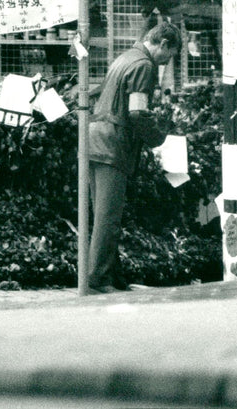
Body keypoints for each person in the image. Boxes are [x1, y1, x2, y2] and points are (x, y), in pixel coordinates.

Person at [87, 22, 181, 294]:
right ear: (162, 43)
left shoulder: (125, 57)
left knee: (102, 213)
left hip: (95, 138)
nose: (167, 61)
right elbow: (137, 112)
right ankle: (98, 279)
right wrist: (158, 139)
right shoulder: (144, 65)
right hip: (112, 144)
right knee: (108, 216)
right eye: (170, 54)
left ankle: (112, 276)